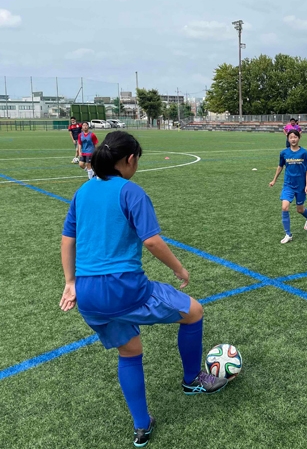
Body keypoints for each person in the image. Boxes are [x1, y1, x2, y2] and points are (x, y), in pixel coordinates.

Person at [59, 131, 228, 448]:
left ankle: (142, 426)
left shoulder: (82, 192)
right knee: (194, 312)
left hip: (88, 296)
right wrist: (179, 268)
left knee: (130, 350)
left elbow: (68, 240)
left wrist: (70, 283)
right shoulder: (131, 192)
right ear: (130, 159)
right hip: (124, 288)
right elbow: (151, 240)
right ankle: (192, 380)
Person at [269, 130, 307, 244]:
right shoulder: (284, 153)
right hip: (288, 185)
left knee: (300, 209)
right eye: (291, 137)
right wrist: (274, 180)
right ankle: (288, 234)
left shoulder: (304, 153)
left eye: (295, 137)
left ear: (299, 138)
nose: (293, 139)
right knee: (284, 207)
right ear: (288, 139)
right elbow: (280, 167)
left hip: (300, 185)